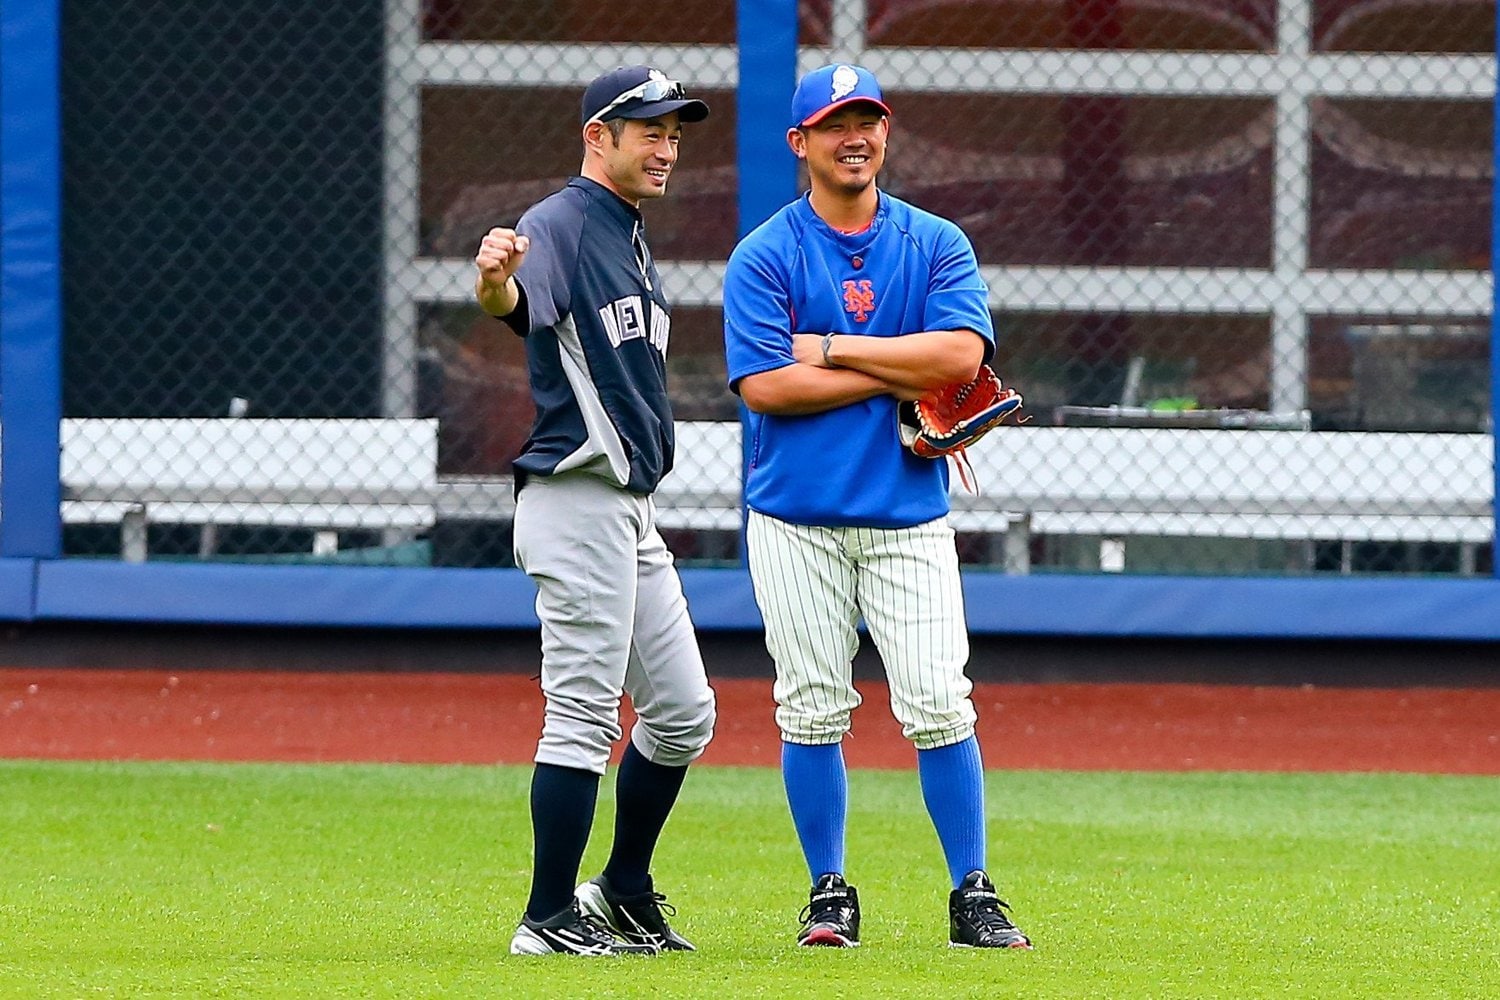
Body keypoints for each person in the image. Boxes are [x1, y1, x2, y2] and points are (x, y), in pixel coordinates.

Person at [721, 64, 1033, 950]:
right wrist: (895, 361)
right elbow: (766, 388)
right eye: (834, 123)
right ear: (800, 143)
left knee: (940, 703)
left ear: (885, 133)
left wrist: (830, 348)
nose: (854, 136)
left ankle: (972, 890)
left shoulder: (936, 243)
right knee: (812, 705)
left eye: (868, 120)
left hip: (907, 516)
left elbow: (960, 358)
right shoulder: (766, 253)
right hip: (795, 515)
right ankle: (828, 891)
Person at [474, 65, 717, 957]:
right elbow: (513, 302)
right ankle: (546, 918)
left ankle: (618, 888)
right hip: (576, 498)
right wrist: (494, 280)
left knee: (686, 711)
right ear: (597, 137)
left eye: (674, 132)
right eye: (647, 129)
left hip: (627, 511)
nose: (666, 146)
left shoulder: (631, 233)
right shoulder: (562, 221)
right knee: (580, 712)